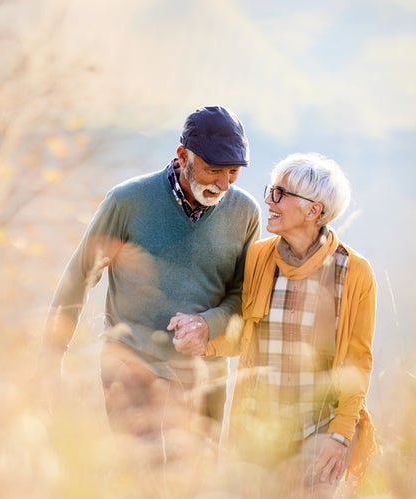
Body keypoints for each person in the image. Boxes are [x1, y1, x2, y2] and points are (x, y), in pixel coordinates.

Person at [42, 106, 261, 459]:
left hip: (203, 377)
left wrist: (208, 325)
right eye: (214, 170)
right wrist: (52, 355)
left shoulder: (245, 213)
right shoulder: (127, 201)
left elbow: (244, 295)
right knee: (140, 484)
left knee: (192, 493)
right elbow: (80, 277)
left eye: (233, 172)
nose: (224, 184)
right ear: (183, 156)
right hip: (131, 369)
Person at [209, 152, 377, 499]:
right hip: (258, 428)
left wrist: (340, 435)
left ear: (313, 210)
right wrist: (206, 338)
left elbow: (357, 362)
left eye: (280, 193)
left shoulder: (353, 273)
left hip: (317, 430)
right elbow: (242, 335)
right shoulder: (258, 259)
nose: (269, 199)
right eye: (272, 190)